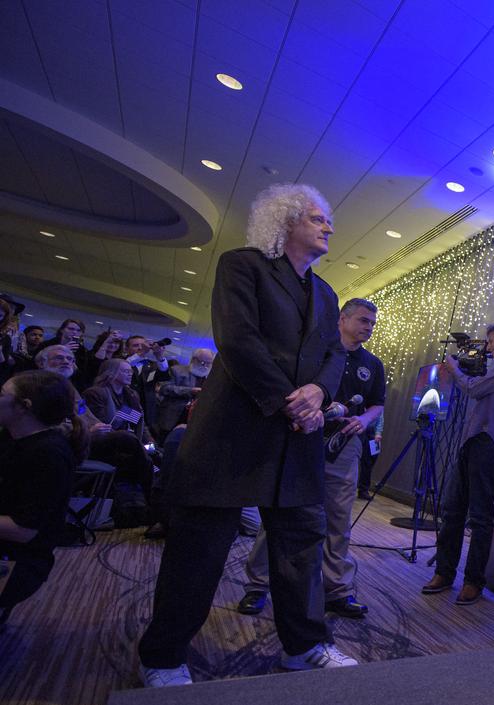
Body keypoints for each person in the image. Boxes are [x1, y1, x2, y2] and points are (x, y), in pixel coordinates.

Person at [136, 183, 355, 688]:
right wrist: (290, 401)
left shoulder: (326, 293)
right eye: (319, 219)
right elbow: (237, 340)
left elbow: (334, 355)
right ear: (286, 222)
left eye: (328, 221)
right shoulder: (243, 265)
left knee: (301, 547)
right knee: (201, 551)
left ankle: (305, 647)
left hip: (297, 436)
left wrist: (318, 393)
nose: (329, 227)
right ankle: (163, 656)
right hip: (234, 432)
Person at [237, 299, 385, 619]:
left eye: (372, 323)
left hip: (344, 447)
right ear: (341, 319)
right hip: (302, 439)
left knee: (338, 520)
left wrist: (364, 420)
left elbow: (377, 403)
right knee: (281, 511)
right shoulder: (318, 353)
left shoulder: (372, 364)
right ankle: (257, 585)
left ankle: (337, 590)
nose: (368, 327)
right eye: (362, 321)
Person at [421, 321, 494, 605]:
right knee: (453, 510)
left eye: (492, 341)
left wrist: (455, 369)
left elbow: (476, 388)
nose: (489, 347)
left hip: (488, 443)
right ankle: (445, 572)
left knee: (480, 516)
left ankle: (473, 581)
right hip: (472, 441)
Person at [0, 370, 87, 625]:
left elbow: (24, 530)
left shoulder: (48, 454)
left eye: (1, 394)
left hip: (18, 560)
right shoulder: (13, 436)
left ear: (23, 407)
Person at [154, 348, 213, 443]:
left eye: (209, 363)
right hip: (172, 418)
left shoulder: (211, 378)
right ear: (194, 360)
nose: (205, 366)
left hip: (195, 422)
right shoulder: (176, 370)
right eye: (202, 363)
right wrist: (190, 391)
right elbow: (164, 388)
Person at [123, 335, 170, 438]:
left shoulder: (151, 364)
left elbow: (164, 376)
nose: (140, 348)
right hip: (127, 406)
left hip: (147, 409)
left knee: (144, 437)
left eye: (142, 345)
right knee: (128, 435)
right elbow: (123, 366)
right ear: (126, 349)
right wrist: (141, 353)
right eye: (135, 345)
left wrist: (160, 356)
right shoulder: (122, 361)